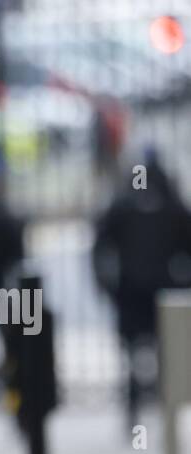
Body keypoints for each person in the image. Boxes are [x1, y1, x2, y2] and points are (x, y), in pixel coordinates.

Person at [92, 149, 191, 430]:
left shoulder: (157, 206)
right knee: (146, 356)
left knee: (159, 355)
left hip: (148, 293)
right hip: (143, 293)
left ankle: (152, 411)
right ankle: (145, 410)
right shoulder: (142, 206)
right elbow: (102, 245)